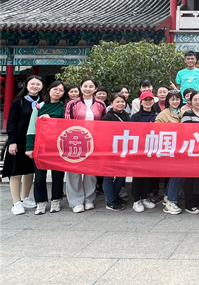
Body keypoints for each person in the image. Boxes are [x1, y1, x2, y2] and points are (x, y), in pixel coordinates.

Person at [64, 78, 106, 213]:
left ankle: (89, 199)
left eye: (91, 86)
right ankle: (75, 201)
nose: (88, 89)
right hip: (75, 141)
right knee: (73, 172)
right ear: (81, 88)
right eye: (85, 86)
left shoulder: (100, 104)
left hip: (94, 142)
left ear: (95, 89)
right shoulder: (72, 103)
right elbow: (66, 123)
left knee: (91, 172)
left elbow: (105, 124)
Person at [4, 75, 44, 215]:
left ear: (42, 86)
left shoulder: (43, 102)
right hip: (19, 141)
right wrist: (12, 141)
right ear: (26, 85)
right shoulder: (19, 101)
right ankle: (16, 202)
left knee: (29, 170)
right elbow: (11, 122)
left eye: (38, 84)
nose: (35, 86)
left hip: (35, 141)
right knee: (16, 171)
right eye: (32, 84)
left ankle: (25, 197)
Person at [25, 80, 66, 215]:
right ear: (49, 90)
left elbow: (66, 125)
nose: (57, 92)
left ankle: (56, 200)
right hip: (41, 146)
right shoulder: (39, 106)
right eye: (55, 89)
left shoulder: (64, 107)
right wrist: (29, 147)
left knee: (58, 175)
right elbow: (32, 128)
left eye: (61, 90)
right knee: (40, 176)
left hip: (58, 146)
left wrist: (50, 120)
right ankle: (41, 202)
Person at [156, 90, 184, 215]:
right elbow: (156, 132)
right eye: (172, 99)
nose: (175, 101)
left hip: (181, 149)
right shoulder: (163, 114)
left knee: (177, 174)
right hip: (169, 150)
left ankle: (168, 196)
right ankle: (170, 202)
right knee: (176, 174)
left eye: (177, 99)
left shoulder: (182, 112)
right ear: (168, 101)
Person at [130, 91, 158, 213]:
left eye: (150, 99)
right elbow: (130, 133)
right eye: (145, 100)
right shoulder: (135, 117)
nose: (148, 102)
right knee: (137, 176)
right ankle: (136, 200)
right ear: (141, 102)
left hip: (152, 150)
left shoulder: (157, 116)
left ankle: (144, 197)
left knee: (148, 175)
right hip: (138, 150)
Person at [101, 93, 130, 211]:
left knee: (121, 175)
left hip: (123, 150)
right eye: (117, 102)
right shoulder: (107, 117)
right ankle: (110, 201)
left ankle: (115, 196)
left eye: (122, 102)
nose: (120, 104)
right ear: (111, 103)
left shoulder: (126, 115)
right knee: (109, 176)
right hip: (110, 151)